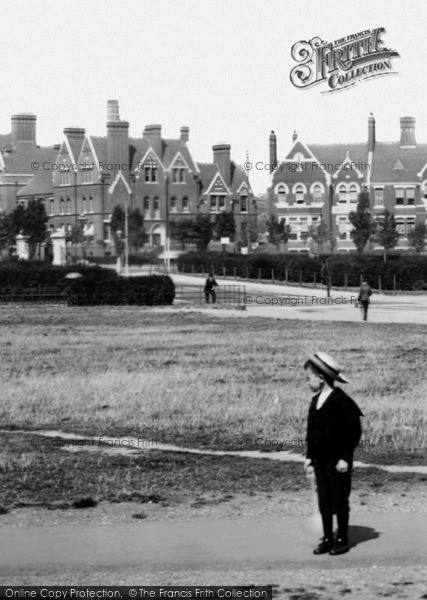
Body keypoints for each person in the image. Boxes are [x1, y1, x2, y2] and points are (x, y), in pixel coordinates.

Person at [304, 351, 363, 556]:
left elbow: (352, 433)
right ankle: (328, 538)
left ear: (321, 378)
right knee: (324, 500)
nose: (307, 382)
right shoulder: (315, 402)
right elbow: (311, 433)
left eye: (308, 378)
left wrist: (345, 457)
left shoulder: (342, 402)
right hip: (320, 459)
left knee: (339, 499)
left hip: (338, 462)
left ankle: (342, 539)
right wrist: (309, 457)